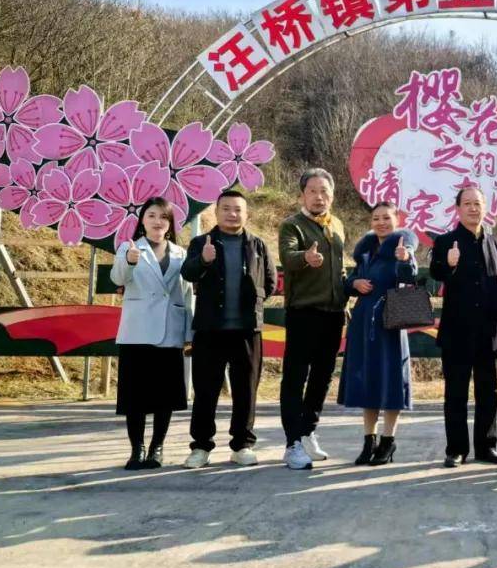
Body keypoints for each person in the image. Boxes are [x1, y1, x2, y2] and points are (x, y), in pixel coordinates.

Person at [181, 190, 277, 468]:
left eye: (238, 210)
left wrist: (252, 303)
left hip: (247, 330)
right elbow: (187, 273)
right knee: (205, 391)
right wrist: (204, 260)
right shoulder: (201, 242)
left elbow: (270, 281)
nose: (232, 214)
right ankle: (201, 447)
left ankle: (242, 445)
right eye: (226, 209)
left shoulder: (257, 245)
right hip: (210, 329)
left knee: (246, 390)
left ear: (246, 214)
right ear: (216, 212)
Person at [429, 186, 497, 468]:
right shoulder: (445, 241)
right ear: (458, 209)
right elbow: (435, 273)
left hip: (488, 330)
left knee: (489, 392)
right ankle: (456, 449)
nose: (473, 208)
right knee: (456, 393)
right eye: (467, 204)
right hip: (457, 330)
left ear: (485, 207)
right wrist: (449, 264)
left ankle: (487, 447)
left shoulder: (496, 243)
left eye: (478, 203)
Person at [110, 198, 193, 470]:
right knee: (135, 396)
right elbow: (117, 278)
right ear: (142, 220)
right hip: (137, 331)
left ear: (170, 223)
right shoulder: (129, 248)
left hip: (170, 331)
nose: (158, 221)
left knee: (164, 397)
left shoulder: (181, 254)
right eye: (152, 215)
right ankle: (137, 449)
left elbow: (187, 295)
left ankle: (157, 448)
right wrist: (129, 262)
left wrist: (188, 332)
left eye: (163, 217)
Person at [337, 201, 418, 465]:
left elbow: (410, 277)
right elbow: (348, 282)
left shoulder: (403, 247)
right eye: (376, 218)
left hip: (390, 323)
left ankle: (388, 441)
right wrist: (355, 282)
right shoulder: (365, 251)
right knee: (368, 380)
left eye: (386, 218)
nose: (381, 223)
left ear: (397, 220)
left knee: (391, 381)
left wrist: (404, 260)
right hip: (363, 323)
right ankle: (368, 441)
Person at [278, 168, 348, 470]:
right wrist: (305, 257)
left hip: (333, 314)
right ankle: (292, 442)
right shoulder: (292, 225)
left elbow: (339, 269)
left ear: (332, 195)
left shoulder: (337, 225)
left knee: (322, 377)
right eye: (313, 191)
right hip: (303, 313)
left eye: (324, 191)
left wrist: (345, 294)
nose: (319, 197)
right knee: (296, 377)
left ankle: (308, 431)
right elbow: (287, 257)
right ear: (302, 195)